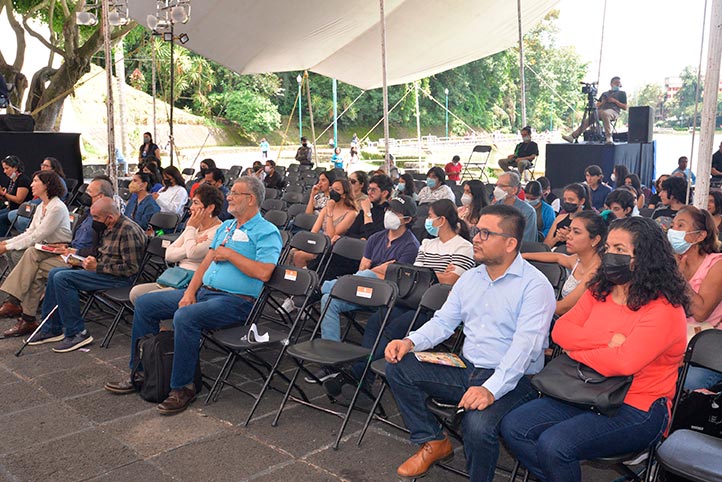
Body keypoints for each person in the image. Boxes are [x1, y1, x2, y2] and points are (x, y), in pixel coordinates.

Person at [501, 216, 689, 482]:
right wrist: (608, 341)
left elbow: (623, 363)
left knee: (555, 444)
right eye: (609, 248)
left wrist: (578, 347)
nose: (611, 255)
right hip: (586, 389)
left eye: (620, 250)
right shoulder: (600, 290)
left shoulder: (664, 309)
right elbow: (560, 331)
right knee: (514, 427)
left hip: (637, 406)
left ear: (645, 257)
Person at [384, 204, 556, 481]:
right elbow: (443, 322)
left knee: (477, 425)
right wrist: (410, 341)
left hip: (514, 378)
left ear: (510, 243)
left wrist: (490, 389)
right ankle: (434, 440)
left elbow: (526, 349)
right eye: (477, 231)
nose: (475, 237)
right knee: (398, 364)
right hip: (466, 367)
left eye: (486, 233)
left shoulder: (535, 286)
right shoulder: (471, 279)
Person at [104, 177, 283, 415]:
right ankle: (140, 372)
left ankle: (182, 387)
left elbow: (264, 272)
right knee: (146, 303)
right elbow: (204, 265)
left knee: (186, 316)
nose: (228, 196)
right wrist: (189, 292)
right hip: (204, 293)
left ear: (250, 199)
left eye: (235, 193)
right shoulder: (228, 227)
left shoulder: (267, 231)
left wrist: (230, 255)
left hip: (237, 302)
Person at [324, 199, 475, 396]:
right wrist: (435, 273)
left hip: (436, 307)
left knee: (393, 328)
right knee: (375, 322)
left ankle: (356, 375)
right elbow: (414, 273)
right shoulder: (428, 243)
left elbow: (451, 281)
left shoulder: (463, 247)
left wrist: (428, 275)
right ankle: (364, 378)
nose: (427, 221)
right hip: (411, 299)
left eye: (430, 216)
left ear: (442, 220)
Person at [308, 195, 420, 382]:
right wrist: (378, 269)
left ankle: (320, 286)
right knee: (329, 300)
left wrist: (374, 270)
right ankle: (331, 362)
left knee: (365, 276)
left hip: (386, 296)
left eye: (395, 212)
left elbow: (389, 275)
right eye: (388, 209)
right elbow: (363, 266)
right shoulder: (376, 238)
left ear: (407, 219)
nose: (388, 214)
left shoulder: (411, 245)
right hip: (361, 290)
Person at [27, 197, 148, 352]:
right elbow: (101, 253)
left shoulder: (127, 231)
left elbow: (131, 269)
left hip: (119, 279)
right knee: (55, 273)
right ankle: (51, 328)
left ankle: (77, 332)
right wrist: (82, 260)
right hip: (103, 271)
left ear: (109, 217)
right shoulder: (108, 226)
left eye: (96, 217)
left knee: (62, 278)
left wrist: (97, 267)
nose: (93, 221)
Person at [0, 179, 113, 335]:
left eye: (90, 193)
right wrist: (66, 247)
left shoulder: (102, 218)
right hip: (69, 252)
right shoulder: (87, 213)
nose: (85, 195)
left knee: (35, 269)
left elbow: (98, 250)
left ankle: (24, 314)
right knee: (31, 255)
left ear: (100, 196)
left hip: (83, 261)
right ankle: (24, 315)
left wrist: (74, 251)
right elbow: (33, 232)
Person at [129, 184, 224, 304]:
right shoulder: (194, 226)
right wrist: (191, 243)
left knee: (147, 300)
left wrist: (190, 229)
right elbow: (168, 255)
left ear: (210, 208)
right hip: (175, 276)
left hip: (193, 282)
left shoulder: (217, 230)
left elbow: (193, 253)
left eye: (195, 203)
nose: (191, 208)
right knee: (135, 292)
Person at [668, 206, 722, 389]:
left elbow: (701, 313)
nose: (673, 231)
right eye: (673, 225)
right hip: (673, 340)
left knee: (685, 383)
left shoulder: (716, 264)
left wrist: (678, 277)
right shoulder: (669, 260)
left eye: (680, 226)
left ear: (700, 236)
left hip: (706, 349)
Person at [523, 211, 605, 316]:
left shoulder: (594, 272)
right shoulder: (577, 260)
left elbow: (562, 307)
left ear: (595, 240)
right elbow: (557, 257)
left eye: (576, 232)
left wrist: (525, 304)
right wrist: (523, 256)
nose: (569, 236)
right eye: (570, 231)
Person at [292, 179, 357, 267]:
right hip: (318, 241)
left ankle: (306, 278)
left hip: (332, 247)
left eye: (337, 190)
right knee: (292, 251)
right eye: (332, 189)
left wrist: (330, 213)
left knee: (299, 256)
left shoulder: (351, 213)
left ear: (344, 195)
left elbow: (331, 235)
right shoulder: (325, 209)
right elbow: (314, 230)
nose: (333, 192)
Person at [7, 156, 68, 233]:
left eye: (46, 166)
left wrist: (29, 204)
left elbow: (51, 197)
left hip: (45, 209)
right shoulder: (44, 178)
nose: (42, 167)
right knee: (12, 214)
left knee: (20, 219)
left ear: (53, 168)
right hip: (37, 206)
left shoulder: (57, 181)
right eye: (42, 165)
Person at [563, 77, 628, 144]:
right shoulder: (605, 93)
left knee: (605, 114)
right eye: (616, 82)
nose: (618, 84)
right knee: (589, 118)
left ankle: (609, 137)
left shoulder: (622, 93)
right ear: (611, 84)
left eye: (619, 83)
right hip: (601, 110)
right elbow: (597, 105)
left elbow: (625, 107)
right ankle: (573, 136)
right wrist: (603, 102)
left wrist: (615, 101)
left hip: (613, 111)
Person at [544, 183, 592, 248]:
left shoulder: (589, 221)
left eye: (571, 200)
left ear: (582, 201)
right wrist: (557, 238)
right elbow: (546, 245)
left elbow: (589, 247)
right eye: (565, 199)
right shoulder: (560, 218)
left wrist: (569, 237)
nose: (567, 202)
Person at [493, 172, 537, 243]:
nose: (497, 189)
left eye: (502, 186)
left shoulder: (527, 211)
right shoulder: (495, 206)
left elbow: (527, 241)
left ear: (514, 190)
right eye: (496, 186)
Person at [0, 155, 32, 235]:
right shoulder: (12, 180)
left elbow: (19, 200)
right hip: (11, 208)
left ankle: (3, 239)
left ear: (15, 168)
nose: (4, 171)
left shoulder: (23, 180)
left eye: (7, 168)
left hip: (19, 210)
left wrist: (4, 194)